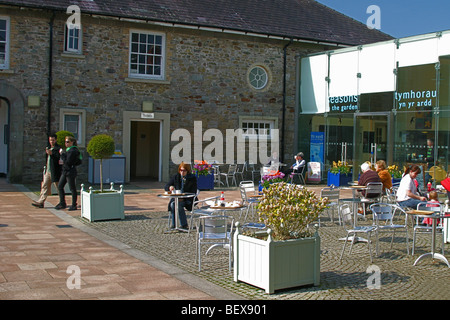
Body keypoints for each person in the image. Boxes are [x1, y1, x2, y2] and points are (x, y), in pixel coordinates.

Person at [32, 133, 62, 208]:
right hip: (48, 171)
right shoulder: (48, 147)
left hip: (55, 171)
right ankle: (41, 202)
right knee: (45, 186)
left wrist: (52, 154)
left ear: (56, 140)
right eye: (50, 140)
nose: (51, 142)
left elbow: (59, 158)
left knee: (58, 187)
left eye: (53, 140)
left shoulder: (58, 148)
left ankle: (62, 201)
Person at [165, 162, 198, 230]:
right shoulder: (176, 177)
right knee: (173, 204)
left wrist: (183, 197)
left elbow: (193, 192)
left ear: (187, 171)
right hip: (177, 198)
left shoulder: (192, 178)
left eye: (184, 170)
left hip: (188, 199)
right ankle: (176, 225)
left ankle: (182, 224)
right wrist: (170, 187)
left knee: (176, 205)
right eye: (181, 170)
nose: (182, 172)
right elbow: (166, 186)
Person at [56, 136, 81, 211]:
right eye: (65, 142)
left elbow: (68, 162)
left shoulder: (73, 150)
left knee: (72, 188)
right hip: (65, 171)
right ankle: (62, 203)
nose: (66, 143)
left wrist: (62, 154)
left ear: (72, 142)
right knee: (60, 186)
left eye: (67, 142)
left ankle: (74, 205)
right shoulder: (69, 150)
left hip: (70, 171)